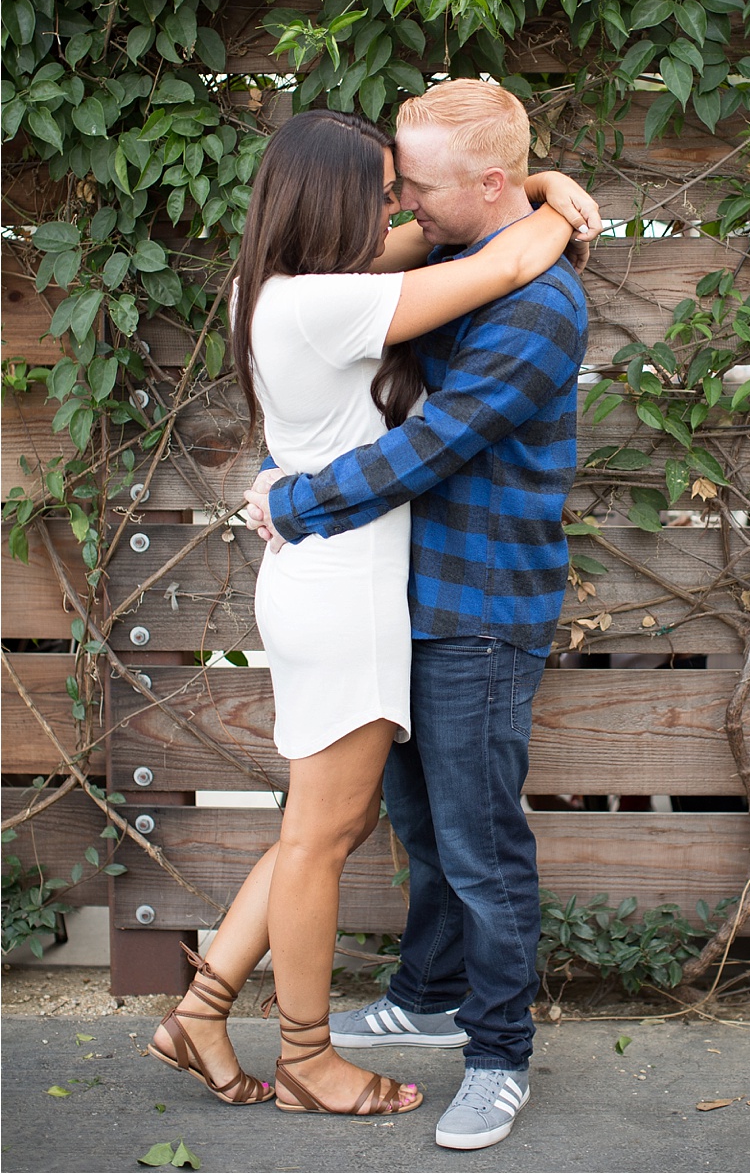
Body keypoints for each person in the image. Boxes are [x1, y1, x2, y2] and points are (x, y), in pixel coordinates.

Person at [147, 105, 599, 1122]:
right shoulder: (337, 299)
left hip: (416, 594)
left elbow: (439, 420)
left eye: (414, 187)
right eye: (387, 191)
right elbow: (480, 265)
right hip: (349, 587)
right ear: (339, 205)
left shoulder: (289, 285)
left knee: (382, 832)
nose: (402, 207)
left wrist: (541, 186)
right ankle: (303, 1048)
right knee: (332, 832)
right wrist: (545, 199)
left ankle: (473, 1045)